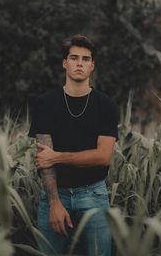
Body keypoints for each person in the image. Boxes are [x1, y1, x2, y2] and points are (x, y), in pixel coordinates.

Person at [28, 35, 119, 256]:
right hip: (54, 195)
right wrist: (54, 203)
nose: (79, 63)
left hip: (94, 194)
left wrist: (57, 156)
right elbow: (44, 159)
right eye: (74, 58)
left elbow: (103, 156)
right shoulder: (45, 102)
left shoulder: (106, 105)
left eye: (85, 59)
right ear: (64, 63)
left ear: (92, 65)